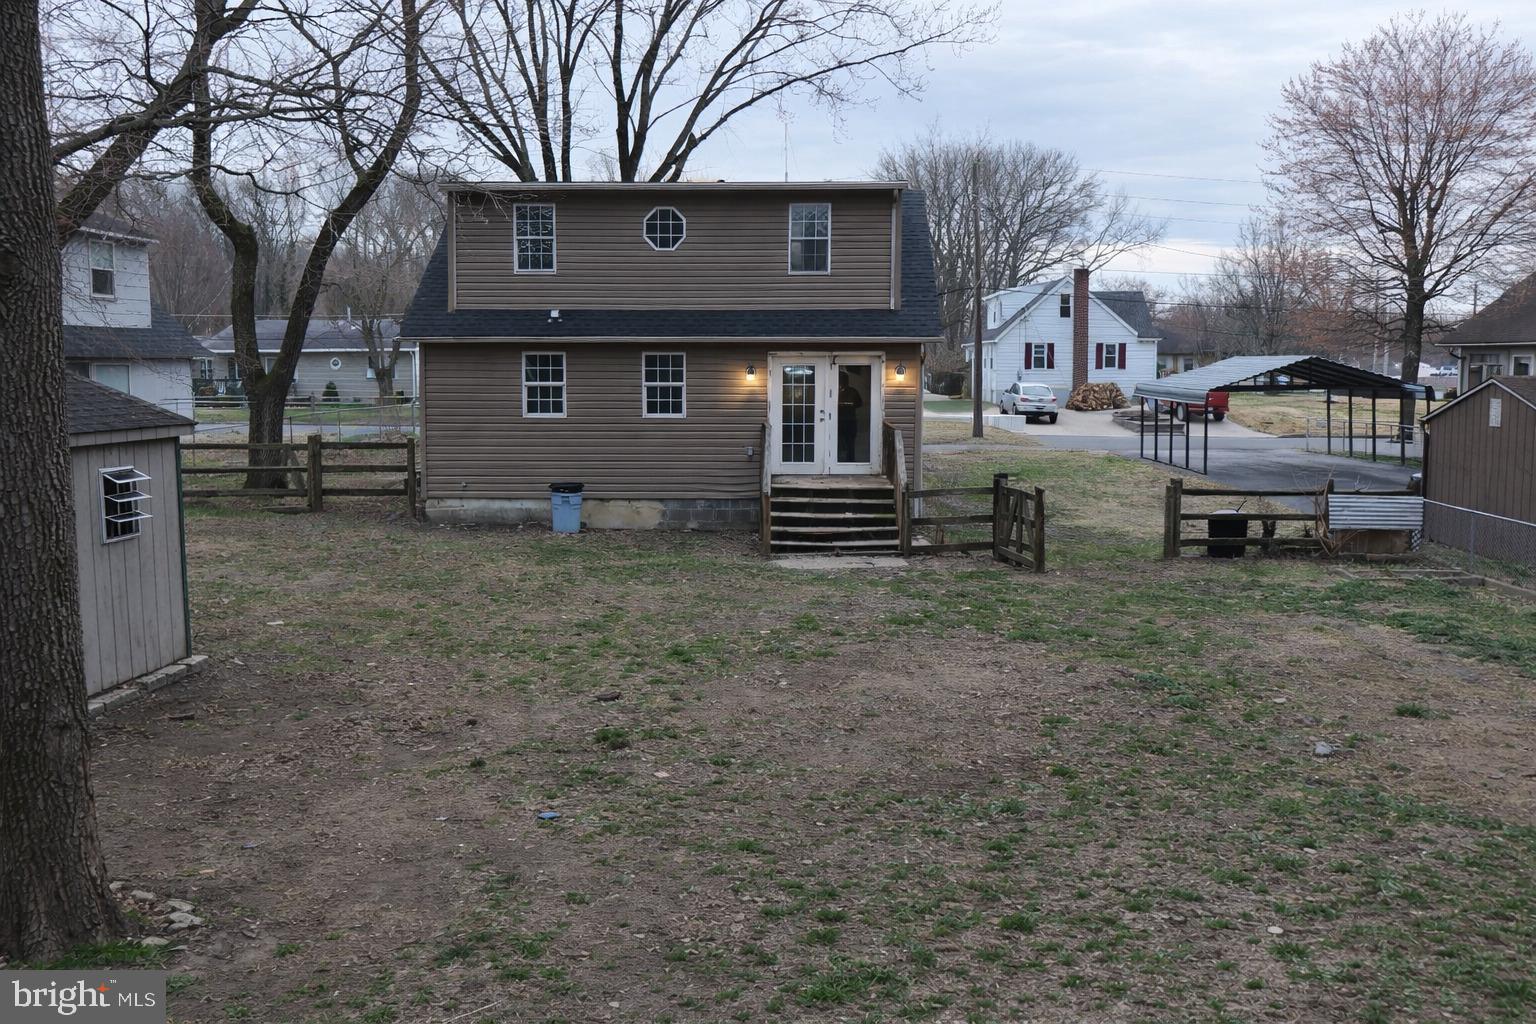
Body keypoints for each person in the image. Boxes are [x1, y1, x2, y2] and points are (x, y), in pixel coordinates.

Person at [838, 369, 865, 463]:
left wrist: (849, 405)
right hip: (839, 420)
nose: (842, 382)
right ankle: (836, 461)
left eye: (843, 380)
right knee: (839, 441)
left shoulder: (853, 391)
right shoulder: (836, 391)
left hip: (849, 420)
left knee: (850, 442)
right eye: (841, 380)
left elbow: (859, 403)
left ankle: (850, 461)